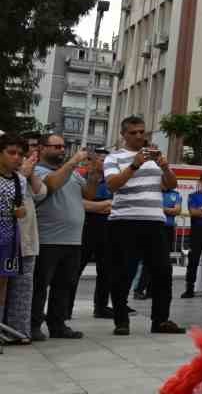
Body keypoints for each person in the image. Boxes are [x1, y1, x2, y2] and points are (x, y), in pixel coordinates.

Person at [103, 116, 182, 335]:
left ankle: (160, 320)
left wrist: (165, 167)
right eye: (134, 132)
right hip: (124, 221)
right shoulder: (114, 157)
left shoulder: (155, 158)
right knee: (123, 273)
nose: (139, 136)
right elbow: (112, 185)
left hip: (155, 221)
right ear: (124, 135)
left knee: (163, 273)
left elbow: (171, 185)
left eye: (142, 132)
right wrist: (135, 164)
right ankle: (121, 321)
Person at [30, 135, 91, 340]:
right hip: (48, 239)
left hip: (73, 239)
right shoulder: (37, 170)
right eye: (56, 146)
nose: (61, 150)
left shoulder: (72, 173)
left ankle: (58, 324)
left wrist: (96, 173)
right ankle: (33, 325)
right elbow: (52, 185)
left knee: (64, 285)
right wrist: (73, 162)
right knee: (40, 286)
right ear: (42, 148)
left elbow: (89, 193)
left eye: (63, 147)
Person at [0, 135, 36, 346]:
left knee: (3, 283)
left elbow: (20, 210)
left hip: (9, 239)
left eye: (20, 154)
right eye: (11, 153)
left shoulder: (19, 180)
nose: (17, 158)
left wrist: (20, 212)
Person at [78, 151, 115, 318]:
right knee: (76, 268)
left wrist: (98, 205)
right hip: (86, 225)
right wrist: (101, 205)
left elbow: (115, 205)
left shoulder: (112, 181)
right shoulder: (82, 178)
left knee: (106, 269)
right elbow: (81, 203)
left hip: (107, 227)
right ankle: (65, 307)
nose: (104, 163)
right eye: (101, 160)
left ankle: (101, 306)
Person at [182, 172, 202, 298]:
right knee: (193, 260)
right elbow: (194, 212)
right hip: (197, 231)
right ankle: (189, 288)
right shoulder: (193, 196)